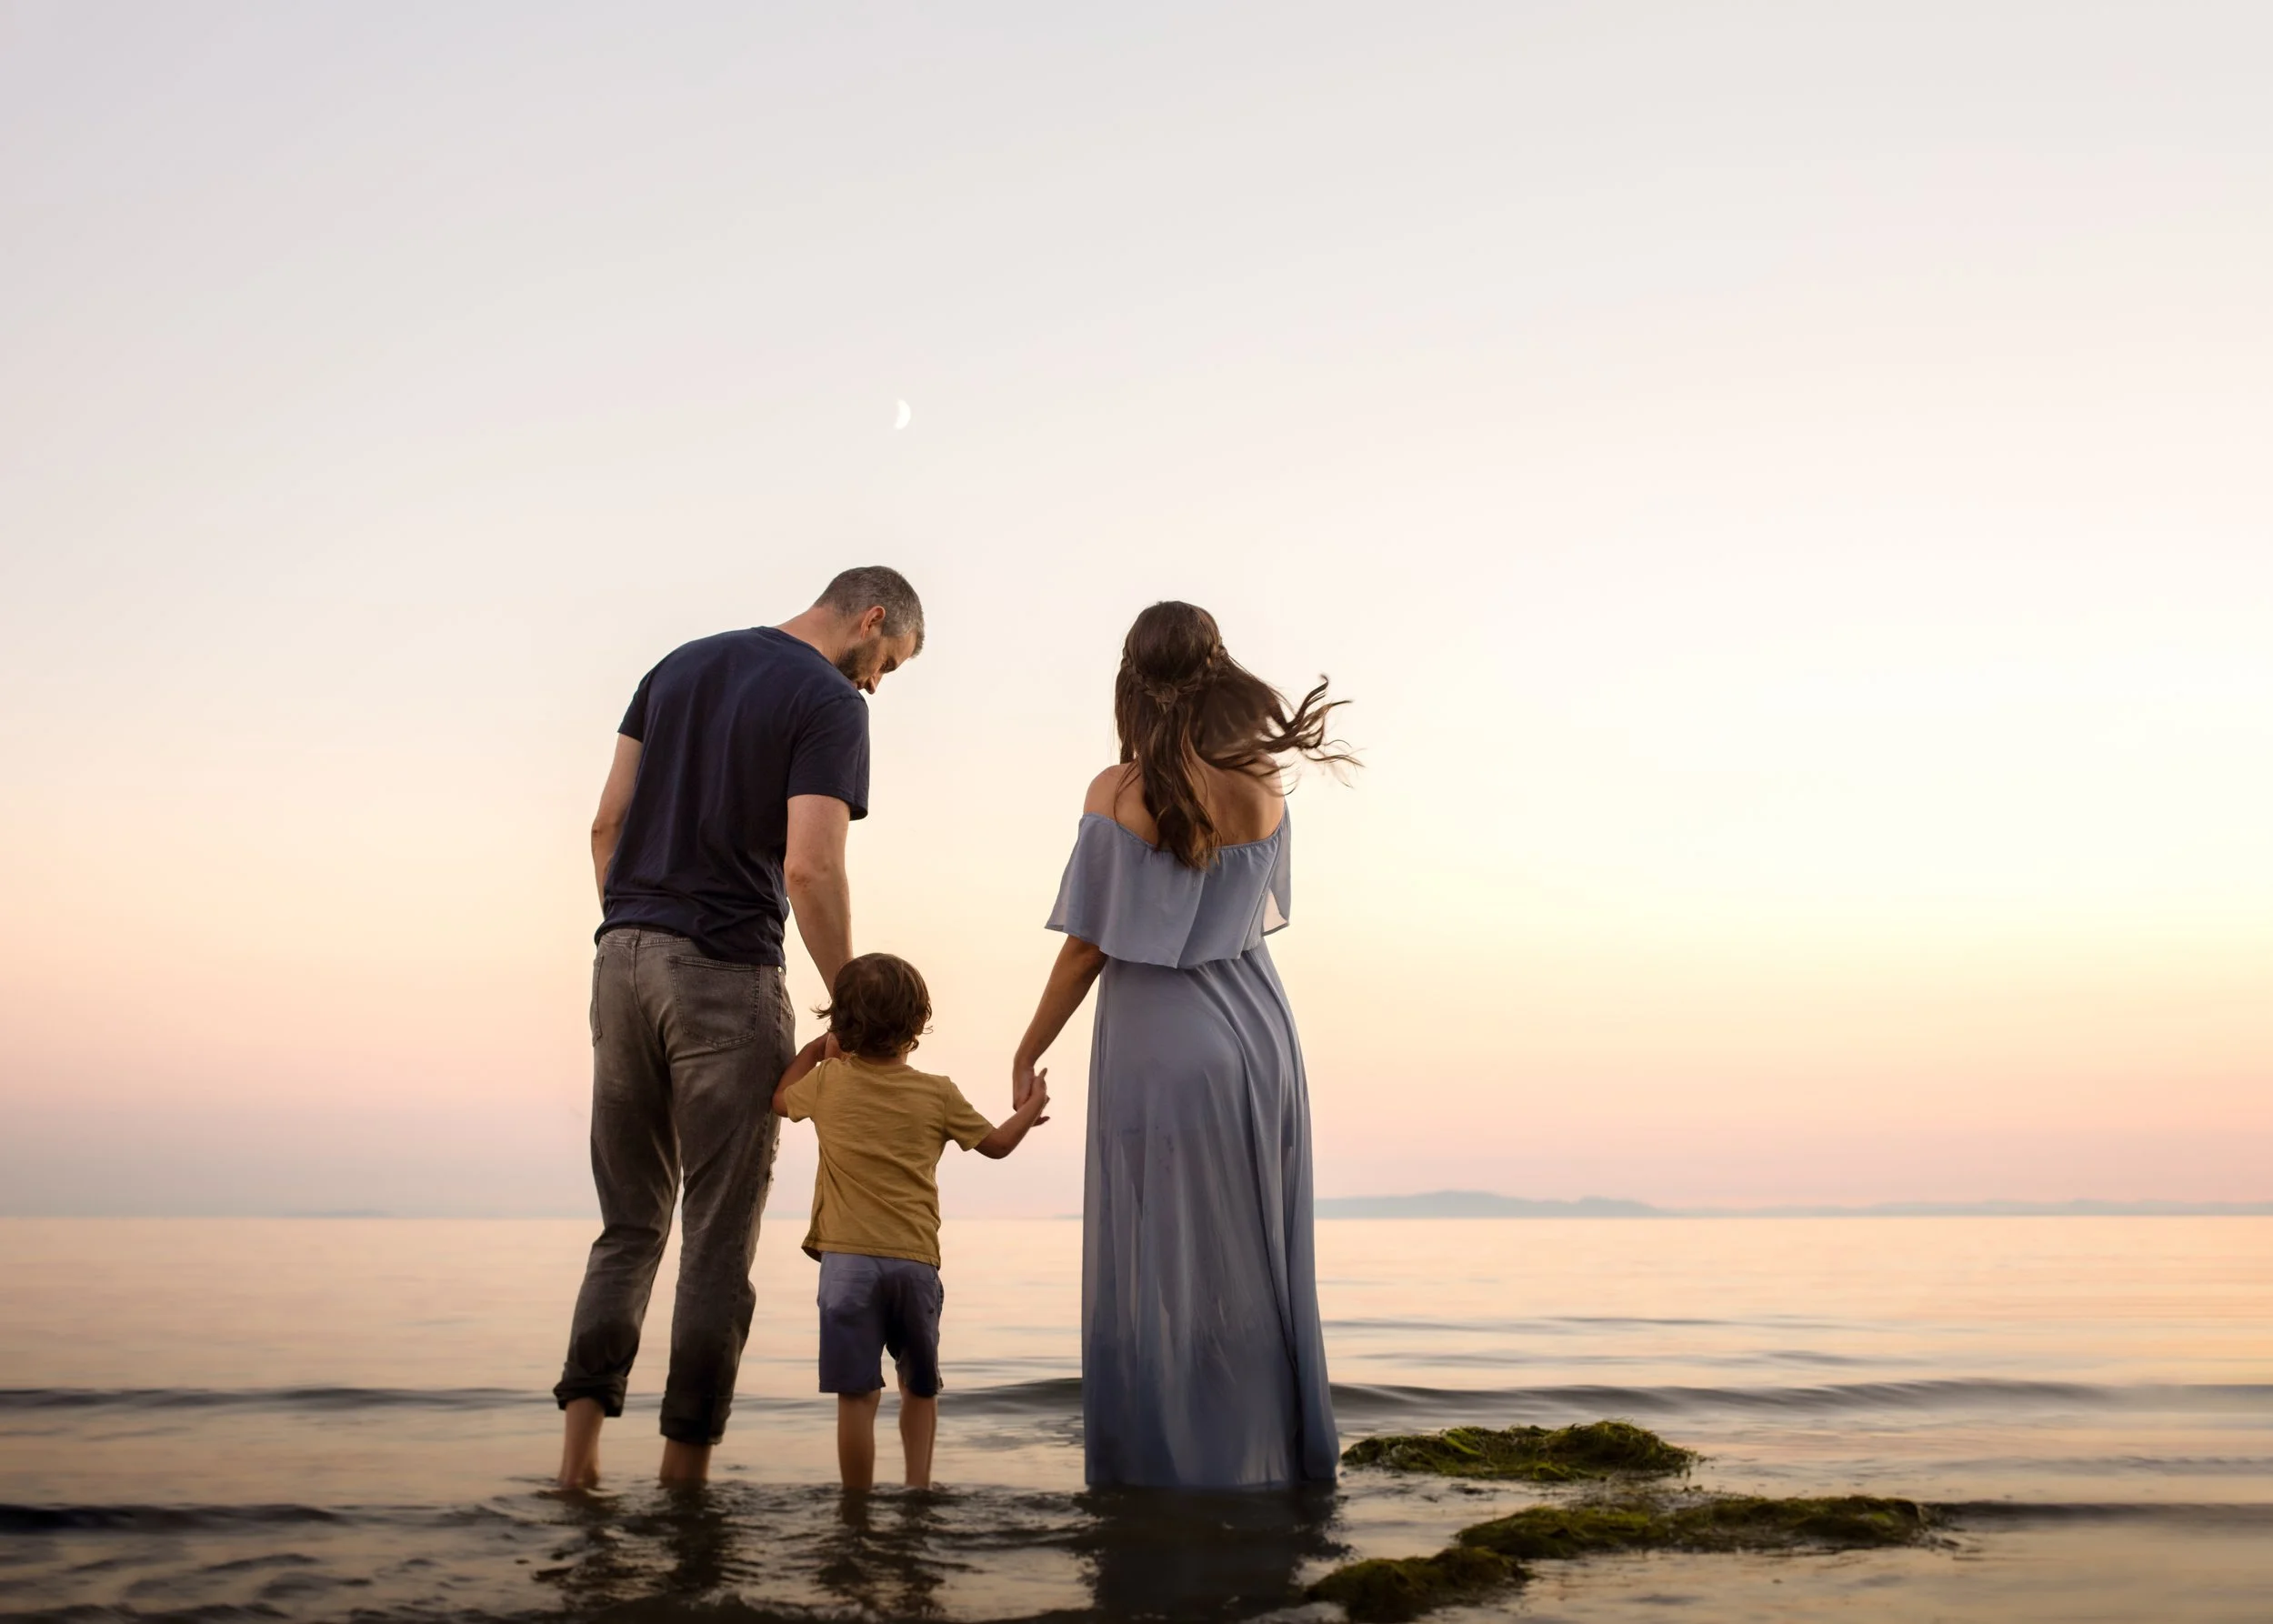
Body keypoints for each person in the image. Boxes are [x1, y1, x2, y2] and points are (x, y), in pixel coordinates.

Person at [553, 566, 926, 1490]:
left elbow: (605, 826)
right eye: (889, 660)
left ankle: (579, 1469)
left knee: (628, 1226)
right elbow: (810, 868)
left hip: (621, 959)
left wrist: (638, 930)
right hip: (723, 970)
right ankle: (684, 1481)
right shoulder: (828, 702)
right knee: (715, 1239)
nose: (876, 680)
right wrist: (850, 1007)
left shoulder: (676, 667)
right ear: (871, 618)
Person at [1011, 600, 1352, 1489]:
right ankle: (1270, 1464)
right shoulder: (1263, 781)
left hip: (1162, 1046)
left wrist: (1026, 1048)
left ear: (1130, 679)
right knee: (1252, 1263)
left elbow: (1088, 945)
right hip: (1263, 1040)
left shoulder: (1118, 791)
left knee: (1164, 1258)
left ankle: (1168, 1469)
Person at [775, 953, 1050, 1492]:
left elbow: (780, 1101)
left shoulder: (828, 1082)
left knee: (857, 1395)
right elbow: (995, 1146)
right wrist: (1028, 1109)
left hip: (847, 1266)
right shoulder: (938, 1092)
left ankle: (856, 1507)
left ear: (841, 1024)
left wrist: (813, 1050)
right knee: (919, 1387)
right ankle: (917, 1491)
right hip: (914, 1263)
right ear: (919, 1023)